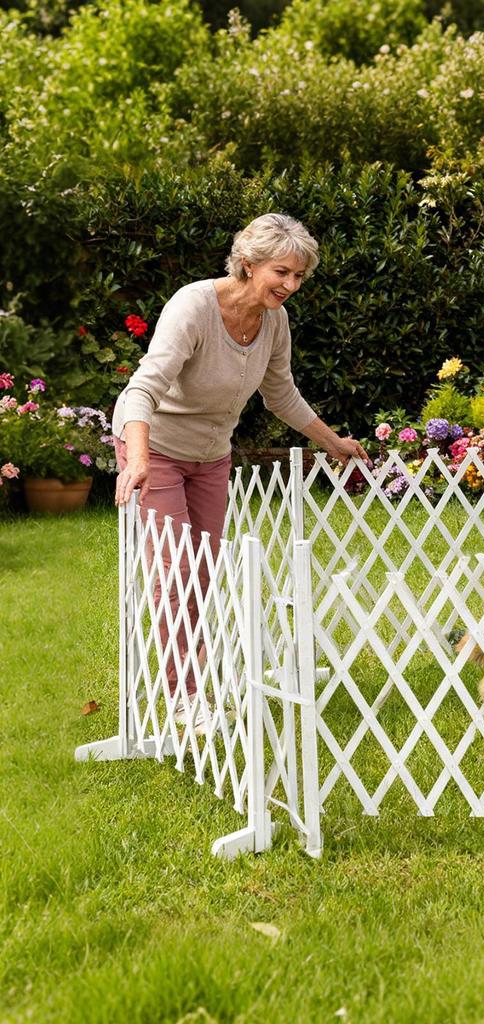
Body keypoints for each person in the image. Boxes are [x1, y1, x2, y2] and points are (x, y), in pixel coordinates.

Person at [112, 213, 368, 720]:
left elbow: (281, 395)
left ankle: (196, 679)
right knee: (176, 570)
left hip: (211, 456)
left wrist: (333, 442)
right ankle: (184, 697)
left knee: (203, 571)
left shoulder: (275, 321)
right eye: (281, 272)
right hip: (155, 448)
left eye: (299, 276)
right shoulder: (193, 306)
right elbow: (143, 388)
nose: (290, 285)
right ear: (249, 263)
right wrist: (137, 457)